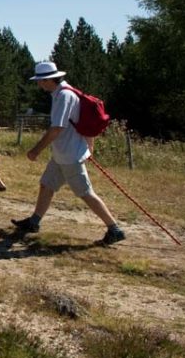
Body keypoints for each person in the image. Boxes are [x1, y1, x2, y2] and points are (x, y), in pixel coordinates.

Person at [12, 62, 126, 244]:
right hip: (62, 153)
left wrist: (35, 150)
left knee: (85, 193)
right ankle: (34, 222)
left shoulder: (64, 96)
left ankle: (114, 229)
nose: (39, 84)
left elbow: (57, 128)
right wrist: (89, 148)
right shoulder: (63, 92)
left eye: (40, 80)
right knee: (46, 184)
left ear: (49, 80)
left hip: (70, 155)